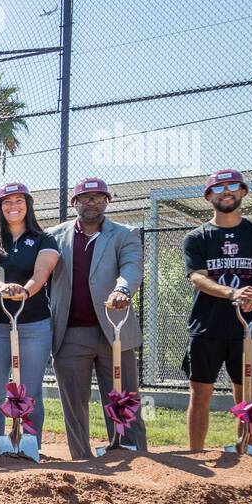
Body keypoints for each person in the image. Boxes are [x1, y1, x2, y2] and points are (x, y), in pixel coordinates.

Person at [182, 169, 252, 452]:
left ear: (243, 191)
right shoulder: (197, 237)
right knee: (200, 394)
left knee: (247, 393)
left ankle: (246, 451)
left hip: (248, 327)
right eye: (219, 187)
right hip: (207, 327)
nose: (227, 191)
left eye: (233, 185)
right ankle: (197, 453)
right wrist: (233, 293)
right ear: (208, 196)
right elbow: (198, 278)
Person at [48, 177, 147, 458]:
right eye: (85, 197)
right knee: (74, 405)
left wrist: (123, 288)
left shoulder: (125, 234)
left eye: (98, 197)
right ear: (74, 203)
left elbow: (131, 268)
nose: (91, 202)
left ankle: (133, 456)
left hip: (115, 331)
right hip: (69, 334)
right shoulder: (54, 236)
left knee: (124, 399)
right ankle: (82, 461)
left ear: (107, 201)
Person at [0, 182, 60, 451]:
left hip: (33, 324)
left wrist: (25, 291)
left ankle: (29, 446)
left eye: (19, 201)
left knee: (31, 391)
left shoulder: (45, 239)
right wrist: (3, 289)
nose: (13, 207)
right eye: (7, 202)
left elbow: (42, 273)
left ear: (28, 205)